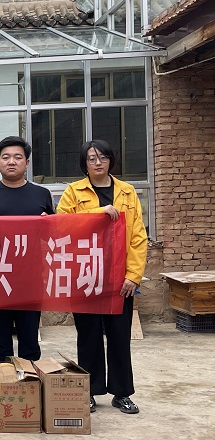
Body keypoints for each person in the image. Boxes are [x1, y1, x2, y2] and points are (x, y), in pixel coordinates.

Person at [57, 139, 147, 414]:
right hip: (85, 276)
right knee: (89, 337)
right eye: (92, 158)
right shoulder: (73, 192)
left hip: (119, 279)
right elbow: (61, 226)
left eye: (103, 157)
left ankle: (122, 393)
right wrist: (98, 212)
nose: (98, 163)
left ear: (111, 161)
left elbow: (138, 236)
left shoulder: (127, 192)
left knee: (120, 337)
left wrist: (133, 276)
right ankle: (90, 391)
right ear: (84, 163)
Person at [0, 136, 54, 362]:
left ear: (27, 163)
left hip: (31, 276)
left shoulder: (41, 194)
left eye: (18, 157)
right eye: (5, 157)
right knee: (0, 339)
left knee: (29, 338)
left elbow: (55, 234)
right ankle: (3, 376)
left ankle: (30, 377)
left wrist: (47, 224)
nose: (11, 162)